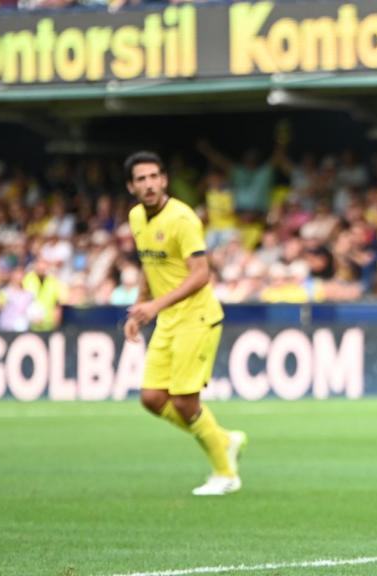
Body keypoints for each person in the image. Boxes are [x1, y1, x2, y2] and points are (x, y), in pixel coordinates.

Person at [123, 151, 247, 497]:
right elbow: (149, 266)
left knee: (183, 402)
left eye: (154, 177)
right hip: (167, 319)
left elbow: (201, 275)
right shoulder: (136, 218)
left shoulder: (182, 218)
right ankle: (223, 439)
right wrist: (139, 308)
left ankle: (225, 473)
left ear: (164, 180)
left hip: (197, 317)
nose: (148, 184)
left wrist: (155, 306)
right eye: (141, 179)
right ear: (131, 186)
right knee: (150, 398)